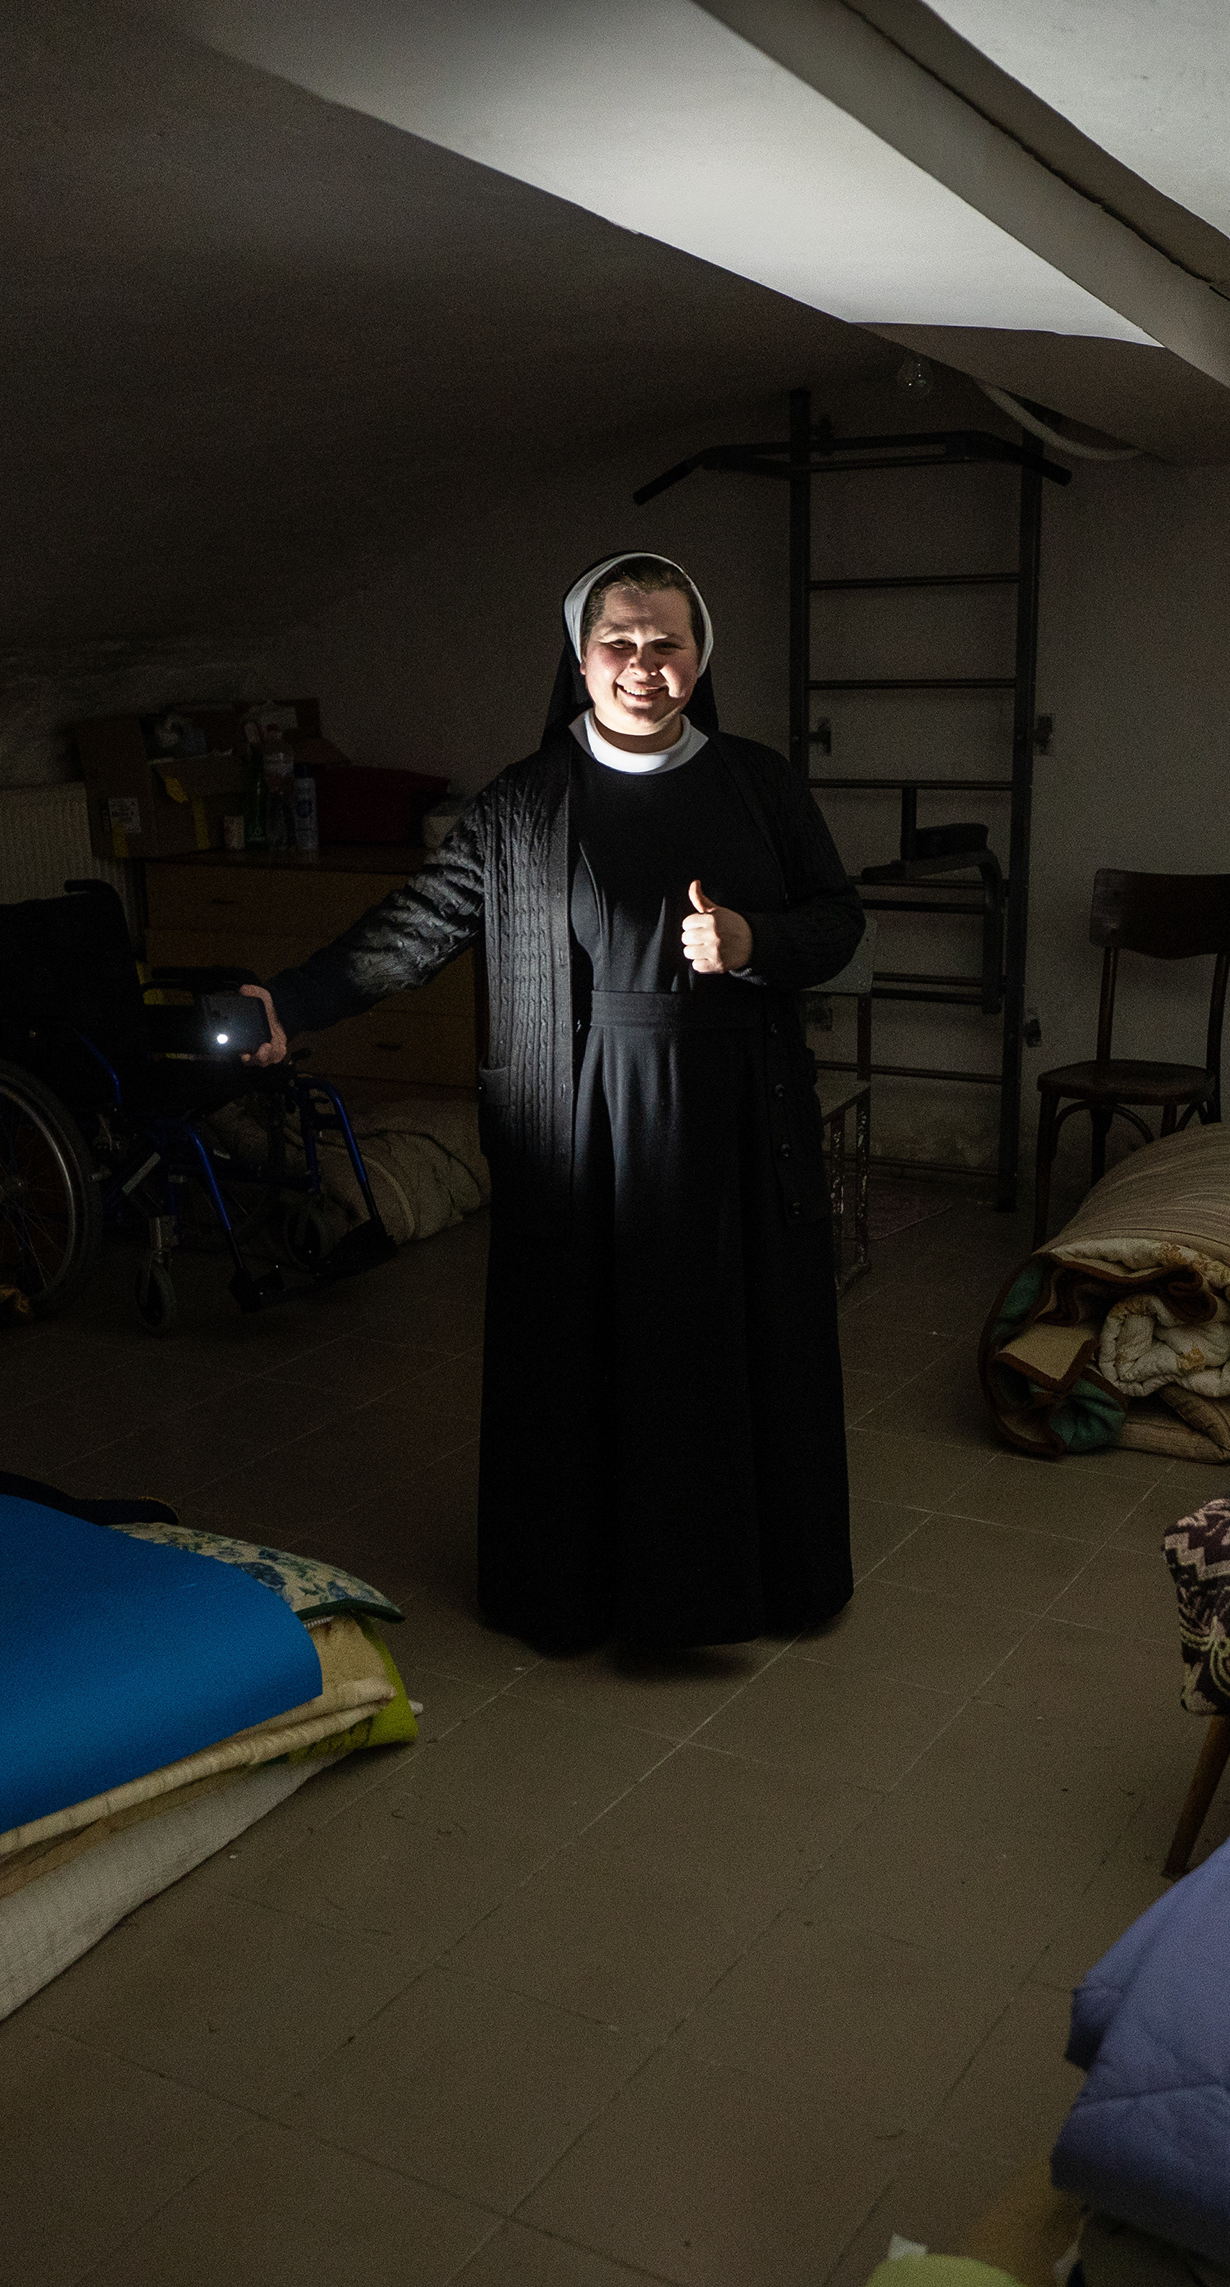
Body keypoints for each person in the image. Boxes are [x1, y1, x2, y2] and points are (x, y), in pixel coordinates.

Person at [250, 553, 861, 1651]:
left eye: (666, 642)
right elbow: (419, 926)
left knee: (723, 1352)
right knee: (594, 1357)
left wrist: (756, 941)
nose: (644, 665)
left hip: (727, 1115)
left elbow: (839, 919)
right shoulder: (523, 801)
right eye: (618, 644)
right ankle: (587, 1590)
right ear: (580, 662)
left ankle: (738, 1587)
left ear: (701, 655)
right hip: (582, 1123)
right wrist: (294, 1001)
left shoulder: (759, 784)